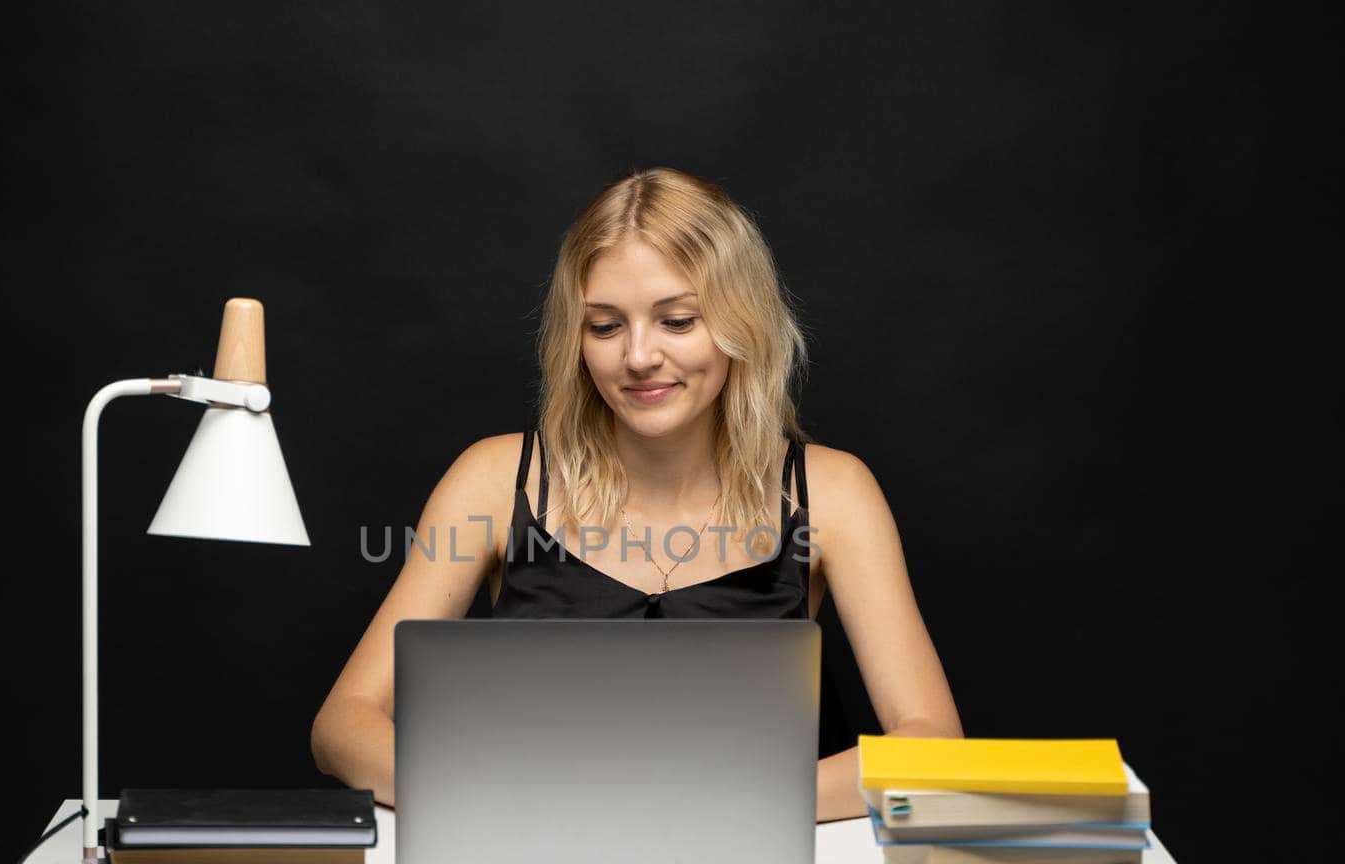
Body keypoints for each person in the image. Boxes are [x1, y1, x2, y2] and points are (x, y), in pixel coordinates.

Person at [311, 166, 963, 821]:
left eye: (677, 320)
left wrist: (726, 806)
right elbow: (342, 725)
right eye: (605, 326)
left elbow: (933, 742)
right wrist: (497, 797)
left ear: (742, 322)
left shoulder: (832, 493)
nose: (639, 356)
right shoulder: (492, 481)